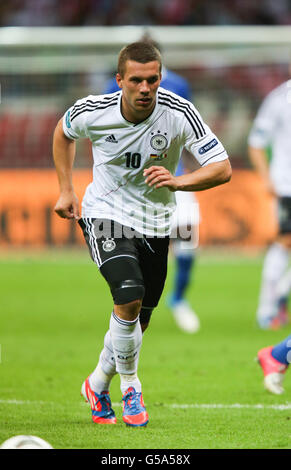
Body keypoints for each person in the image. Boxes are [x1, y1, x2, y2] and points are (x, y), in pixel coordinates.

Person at [53, 41, 231, 427]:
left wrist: (179, 182)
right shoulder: (93, 110)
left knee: (139, 318)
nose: (146, 88)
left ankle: (98, 382)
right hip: (105, 214)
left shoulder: (179, 112)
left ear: (160, 78)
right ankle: (131, 387)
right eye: (137, 80)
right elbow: (63, 132)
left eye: (152, 79)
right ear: (120, 81)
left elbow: (222, 167)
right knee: (129, 295)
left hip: (155, 222)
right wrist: (67, 188)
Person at [104, 37, 200, 334]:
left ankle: (179, 299)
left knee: (188, 236)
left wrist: (183, 174)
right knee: (134, 258)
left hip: (173, 179)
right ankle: (131, 306)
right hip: (132, 188)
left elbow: (189, 132)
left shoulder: (179, 86)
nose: (144, 87)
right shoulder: (112, 89)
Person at [248, 78, 291, 330]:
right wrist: (266, 179)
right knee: (285, 242)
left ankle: (280, 296)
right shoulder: (279, 99)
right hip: (287, 185)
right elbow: (256, 143)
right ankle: (267, 307)